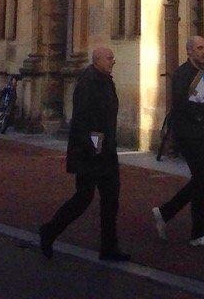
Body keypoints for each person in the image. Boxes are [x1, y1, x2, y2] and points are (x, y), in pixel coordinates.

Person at [38, 45, 130, 264]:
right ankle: (49, 231)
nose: (113, 61)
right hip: (91, 154)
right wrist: (97, 148)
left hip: (104, 152)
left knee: (110, 199)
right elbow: (86, 121)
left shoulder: (105, 80)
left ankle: (109, 247)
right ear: (96, 60)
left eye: (113, 58)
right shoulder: (89, 83)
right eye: (109, 58)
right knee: (83, 198)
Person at [153, 35, 204, 248]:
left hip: (201, 133)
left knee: (200, 181)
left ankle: (166, 213)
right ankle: (197, 232)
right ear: (189, 51)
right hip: (189, 134)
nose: (203, 52)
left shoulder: (201, 72)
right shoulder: (182, 74)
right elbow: (184, 105)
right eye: (199, 48)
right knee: (201, 181)